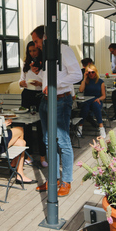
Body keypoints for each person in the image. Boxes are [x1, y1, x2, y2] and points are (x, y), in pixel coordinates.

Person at [31, 25, 82, 197]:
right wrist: (38, 74)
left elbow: (77, 75)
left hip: (61, 100)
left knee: (62, 141)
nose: (35, 45)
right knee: (47, 141)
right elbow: (48, 80)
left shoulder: (63, 50)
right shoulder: (47, 55)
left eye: (36, 41)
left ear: (45, 37)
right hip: (46, 101)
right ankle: (53, 179)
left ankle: (66, 180)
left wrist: (55, 85)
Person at [19, 41, 47, 168]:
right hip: (27, 95)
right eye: (30, 51)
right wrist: (22, 83)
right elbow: (20, 79)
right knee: (26, 127)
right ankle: (28, 155)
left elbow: (47, 81)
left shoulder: (43, 64)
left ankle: (42, 156)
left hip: (40, 95)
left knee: (41, 126)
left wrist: (40, 84)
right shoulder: (25, 64)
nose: (32, 53)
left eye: (34, 50)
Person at [77, 64, 106, 138]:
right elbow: (81, 90)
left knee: (96, 105)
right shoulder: (86, 81)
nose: (91, 74)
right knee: (85, 107)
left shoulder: (100, 82)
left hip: (96, 100)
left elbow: (104, 95)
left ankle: (101, 127)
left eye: (92, 72)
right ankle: (80, 127)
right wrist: (84, 78)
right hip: (87, 100)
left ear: (95, 72)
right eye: (89, 72)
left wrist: (99, 99)